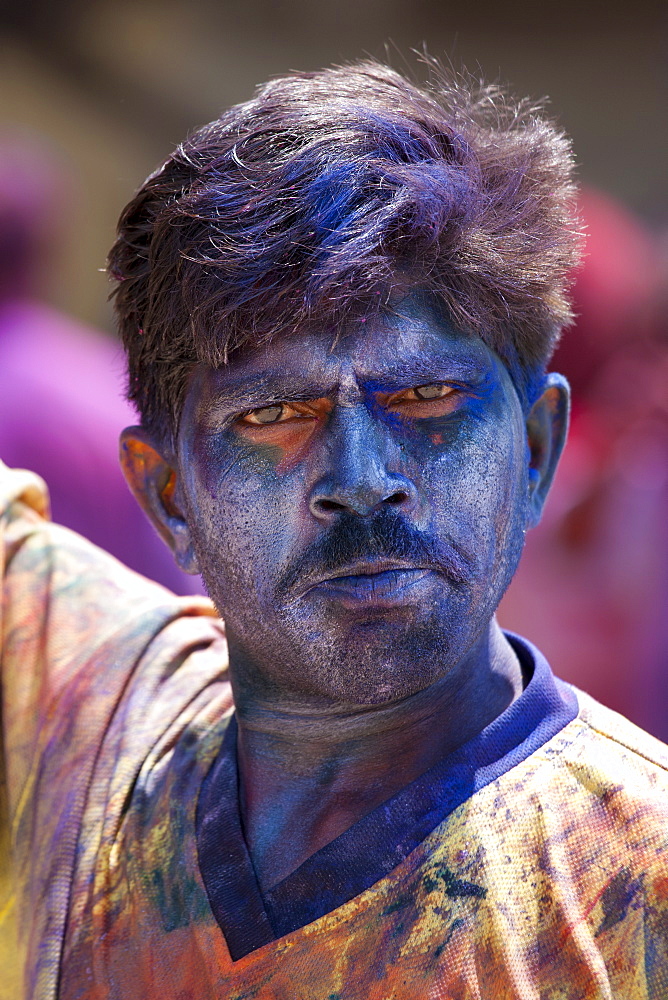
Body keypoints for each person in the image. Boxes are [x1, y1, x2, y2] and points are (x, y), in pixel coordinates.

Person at [1, 60, 667, 1000]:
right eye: (275, 414)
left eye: (428, 397)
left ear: (534, 450)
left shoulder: (637, 889)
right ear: (169, 498)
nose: (361, 482)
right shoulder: (83, 711)